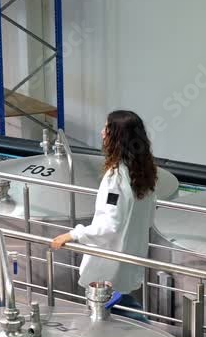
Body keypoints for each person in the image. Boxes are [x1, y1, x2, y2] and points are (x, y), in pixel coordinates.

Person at [50, 110, 158, 321]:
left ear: (117, 136)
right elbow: (147, 219)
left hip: (111, 262)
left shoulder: (116, 177)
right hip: (128, 257)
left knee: (112, 313)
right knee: (123, 307)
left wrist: (73, 235)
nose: (102, 133)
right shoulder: (145, 172)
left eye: (106, 128)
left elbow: (109, 226)